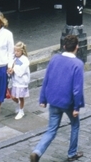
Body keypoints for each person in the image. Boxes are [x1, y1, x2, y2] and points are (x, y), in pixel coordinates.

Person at [29, 34, 85, 162]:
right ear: (77, 47)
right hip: (68, 103)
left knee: (51, 130)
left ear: (64, 46)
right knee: (75, 125)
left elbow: (47, 79)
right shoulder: (78, 64)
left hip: (53, 101)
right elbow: (77, 89)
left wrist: (43, 99)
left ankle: (37, 151)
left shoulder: (54, 59)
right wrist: (76, 107)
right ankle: (72, 153)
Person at [10, 41, 31, 119]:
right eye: (15, 51)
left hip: (22, 81)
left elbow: (21, 71)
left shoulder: (25, 60)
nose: (16, 52)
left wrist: (14, 68)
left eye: (18, 51)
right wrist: (10, 69)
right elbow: (11, 65)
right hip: (15, 81)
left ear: (22, 51)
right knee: (13, 97)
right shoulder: (14, 58)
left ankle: (21, 111)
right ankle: (19, 105)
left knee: (21, 97)